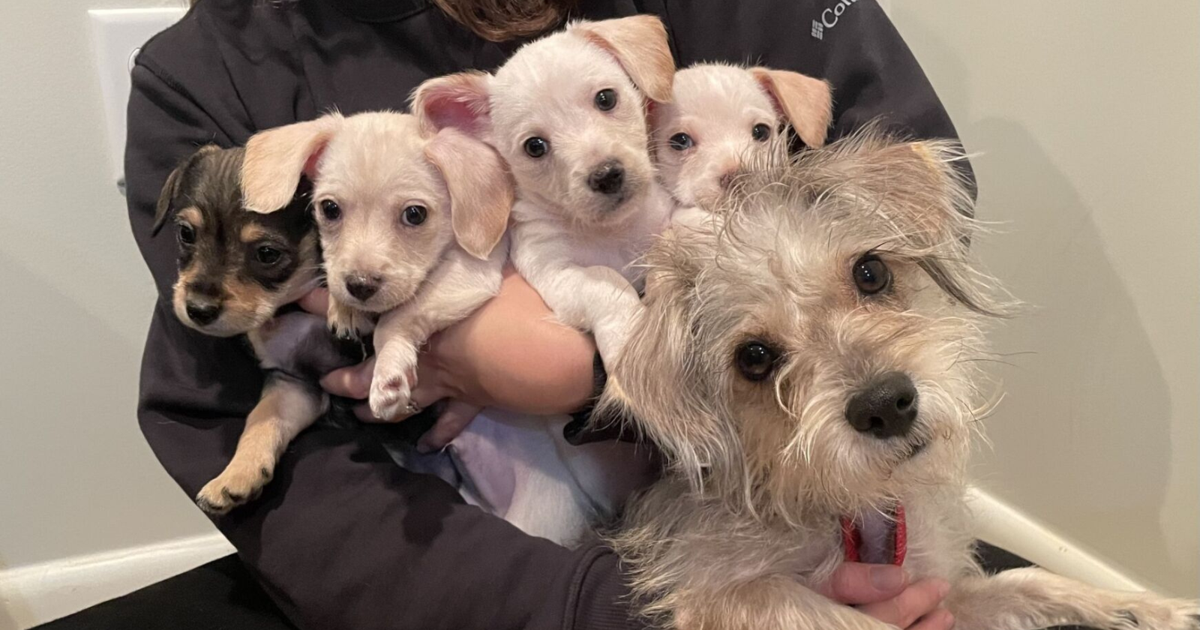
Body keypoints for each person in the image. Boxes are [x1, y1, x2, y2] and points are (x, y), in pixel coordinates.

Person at [125, 0, 968, 628]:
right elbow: (214, 404)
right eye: (332, 214)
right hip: (458, 564)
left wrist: (591, 371)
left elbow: (919, 193)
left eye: (616, 107)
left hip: (784, 510)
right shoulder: (205, 76)